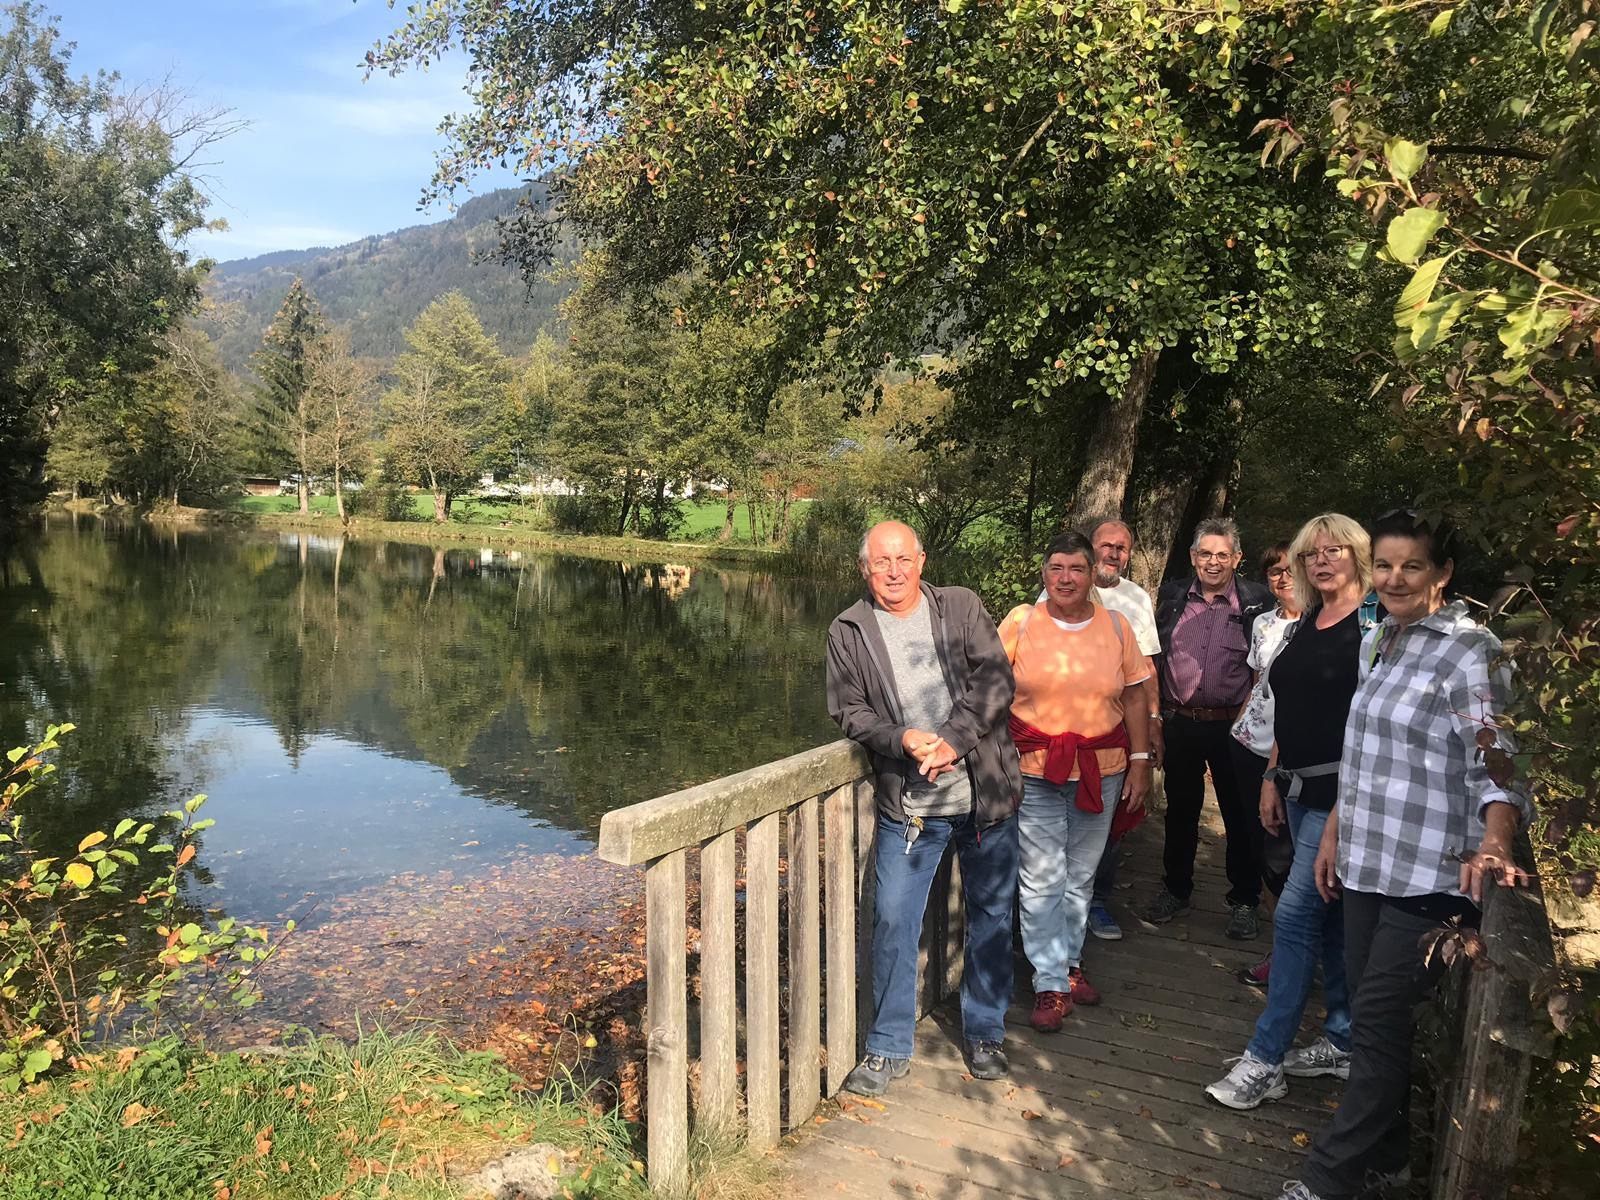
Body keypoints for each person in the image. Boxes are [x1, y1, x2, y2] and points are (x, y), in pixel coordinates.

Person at [1277, 510, 1532, 1200]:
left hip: (1431, 873)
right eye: (1384, 565)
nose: (1393, 578)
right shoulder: (1381, 641)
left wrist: (1498, 839)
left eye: (1411, 566)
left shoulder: (1469, 651)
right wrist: (1333, 830)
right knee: (1370, 1022)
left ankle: (1326, 1179)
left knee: (1380, 1027)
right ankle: (1389, 1162)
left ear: (1442, 573)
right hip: (1367, 860)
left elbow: (1497, 760)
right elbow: (1362, 757)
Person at [826, 520, 1022, 1095]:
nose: (893, 572)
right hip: (910, 806)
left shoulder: (960, 607)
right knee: (892, 919)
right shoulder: (849, 629)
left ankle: (984, 1032)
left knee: (990, 916)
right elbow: (849, 711)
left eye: (903, 559)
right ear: (865, 568)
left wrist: (953, 740)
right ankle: (887, 1047)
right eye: (881, 562)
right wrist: (905, 740)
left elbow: (995, 679)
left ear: (922, 560)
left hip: (985, 796)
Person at [1206, 514, 1374, 1110]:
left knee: (1297, 916)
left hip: (1344, 799)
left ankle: (1266, 1058)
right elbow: (1287, 705)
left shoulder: (1373, 629)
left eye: (1336, 551)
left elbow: (1369, 729)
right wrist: (1273, 777)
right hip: (1298, 789)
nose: (1322, 561)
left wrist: (1340, 810)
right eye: (1311, 554)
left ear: (1359, 556)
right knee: (1327, 921)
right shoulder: (1308, 622)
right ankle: (1343, 1040)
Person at [1000, 531, 1152, 1033]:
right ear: (1044, 574)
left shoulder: (1115, 625)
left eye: (1077, 569)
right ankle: (1048, 982)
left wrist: (1141, 760)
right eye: (1056, 568)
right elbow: (987, 689)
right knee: (1041, 876)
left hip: (1100, 769)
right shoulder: (1023, 622)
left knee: (1081, 875)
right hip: (1036, 770)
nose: (1066, 578)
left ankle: (1068, 964)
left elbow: (1133, 698)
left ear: (1093, 576)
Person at [1143, 517, 1272, 938]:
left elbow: (1265, 666)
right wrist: (1156, 718)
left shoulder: (1257, 602)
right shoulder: (1173, 595)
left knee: (1240, 814)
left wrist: (1247, 723)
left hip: (1232, 725)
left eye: (1222, 554)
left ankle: (1244, 900)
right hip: (1180, 720)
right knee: (1180, 811)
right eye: (1205, 554)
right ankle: (1176, 890)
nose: (1213, 562)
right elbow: (1156, 657)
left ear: (1237, 558)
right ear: (1193, 557)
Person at [1078, 519, 1163, 943]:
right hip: (1066, 733)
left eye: (1122, 548)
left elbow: (1146, 667)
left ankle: (1096, 901)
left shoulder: (1135, 598)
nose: (1113, 553)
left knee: (1109, 821)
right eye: (1105, 545)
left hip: (1119, 729)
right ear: (1091, 549)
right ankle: (1056, 905)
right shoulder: (1061, 587)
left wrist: (1154, 720)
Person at [1229, 541, 1300, 988]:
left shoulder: (1330, 624)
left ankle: (1299, 950)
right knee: (1263, 849)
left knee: (1293, 854)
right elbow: (1258, 682)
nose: (1283, 577)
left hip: (1296, 756)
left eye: (1292, 569)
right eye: (1274, 570)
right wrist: (1240, 723)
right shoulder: (1263, 623)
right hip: (1249, 745)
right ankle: (1283, 950)